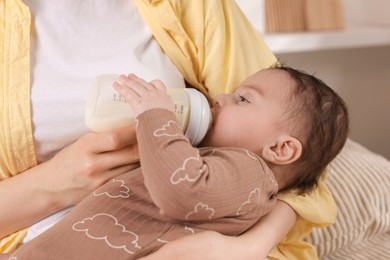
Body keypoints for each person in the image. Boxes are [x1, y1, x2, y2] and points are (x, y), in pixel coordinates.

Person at [0, 1, 339, 259]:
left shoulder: (248, 170)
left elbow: (185, 188)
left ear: (281, 150)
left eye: (242, 99)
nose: (219, 97)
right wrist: (52, 184)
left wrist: (246, 248)